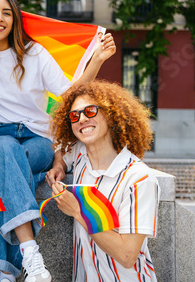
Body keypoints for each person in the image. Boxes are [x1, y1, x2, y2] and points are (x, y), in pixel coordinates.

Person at [0, 0, 116, 282]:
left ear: (15, 20)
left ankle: (8, 268)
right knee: (7, 155)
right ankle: (28, 255)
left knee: (10, 166)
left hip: (37, 139)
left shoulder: (35, 53)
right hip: (0, 136)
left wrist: (98, 59)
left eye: (6, 12)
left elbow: (68, 95)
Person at [48, 81, 159, 281]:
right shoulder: (81, 157)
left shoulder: (139, 177)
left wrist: (77, 211)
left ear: (111, 114)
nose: (81, 119)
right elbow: (62, 149)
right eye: (74, 115)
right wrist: (58, 167)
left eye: (90, 111)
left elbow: (127, 255)